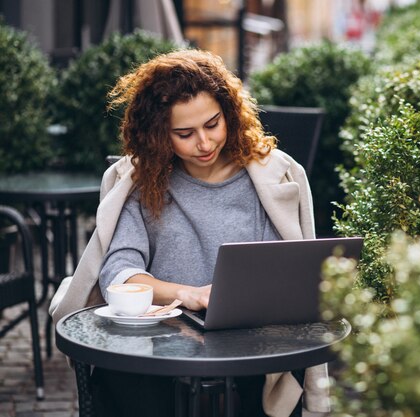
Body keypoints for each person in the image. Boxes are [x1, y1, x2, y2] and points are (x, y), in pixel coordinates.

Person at [49, 49, 329, 417]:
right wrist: (188, 294)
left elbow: (286, 267)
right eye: (184, 133)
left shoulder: (272, 177)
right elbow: (119, 270)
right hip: (159, 345)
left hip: (251, 345)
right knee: (126, 386)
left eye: (212, 124)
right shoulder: (140, 181)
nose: (204, 143)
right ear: (158, 135)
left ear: (229, 113)